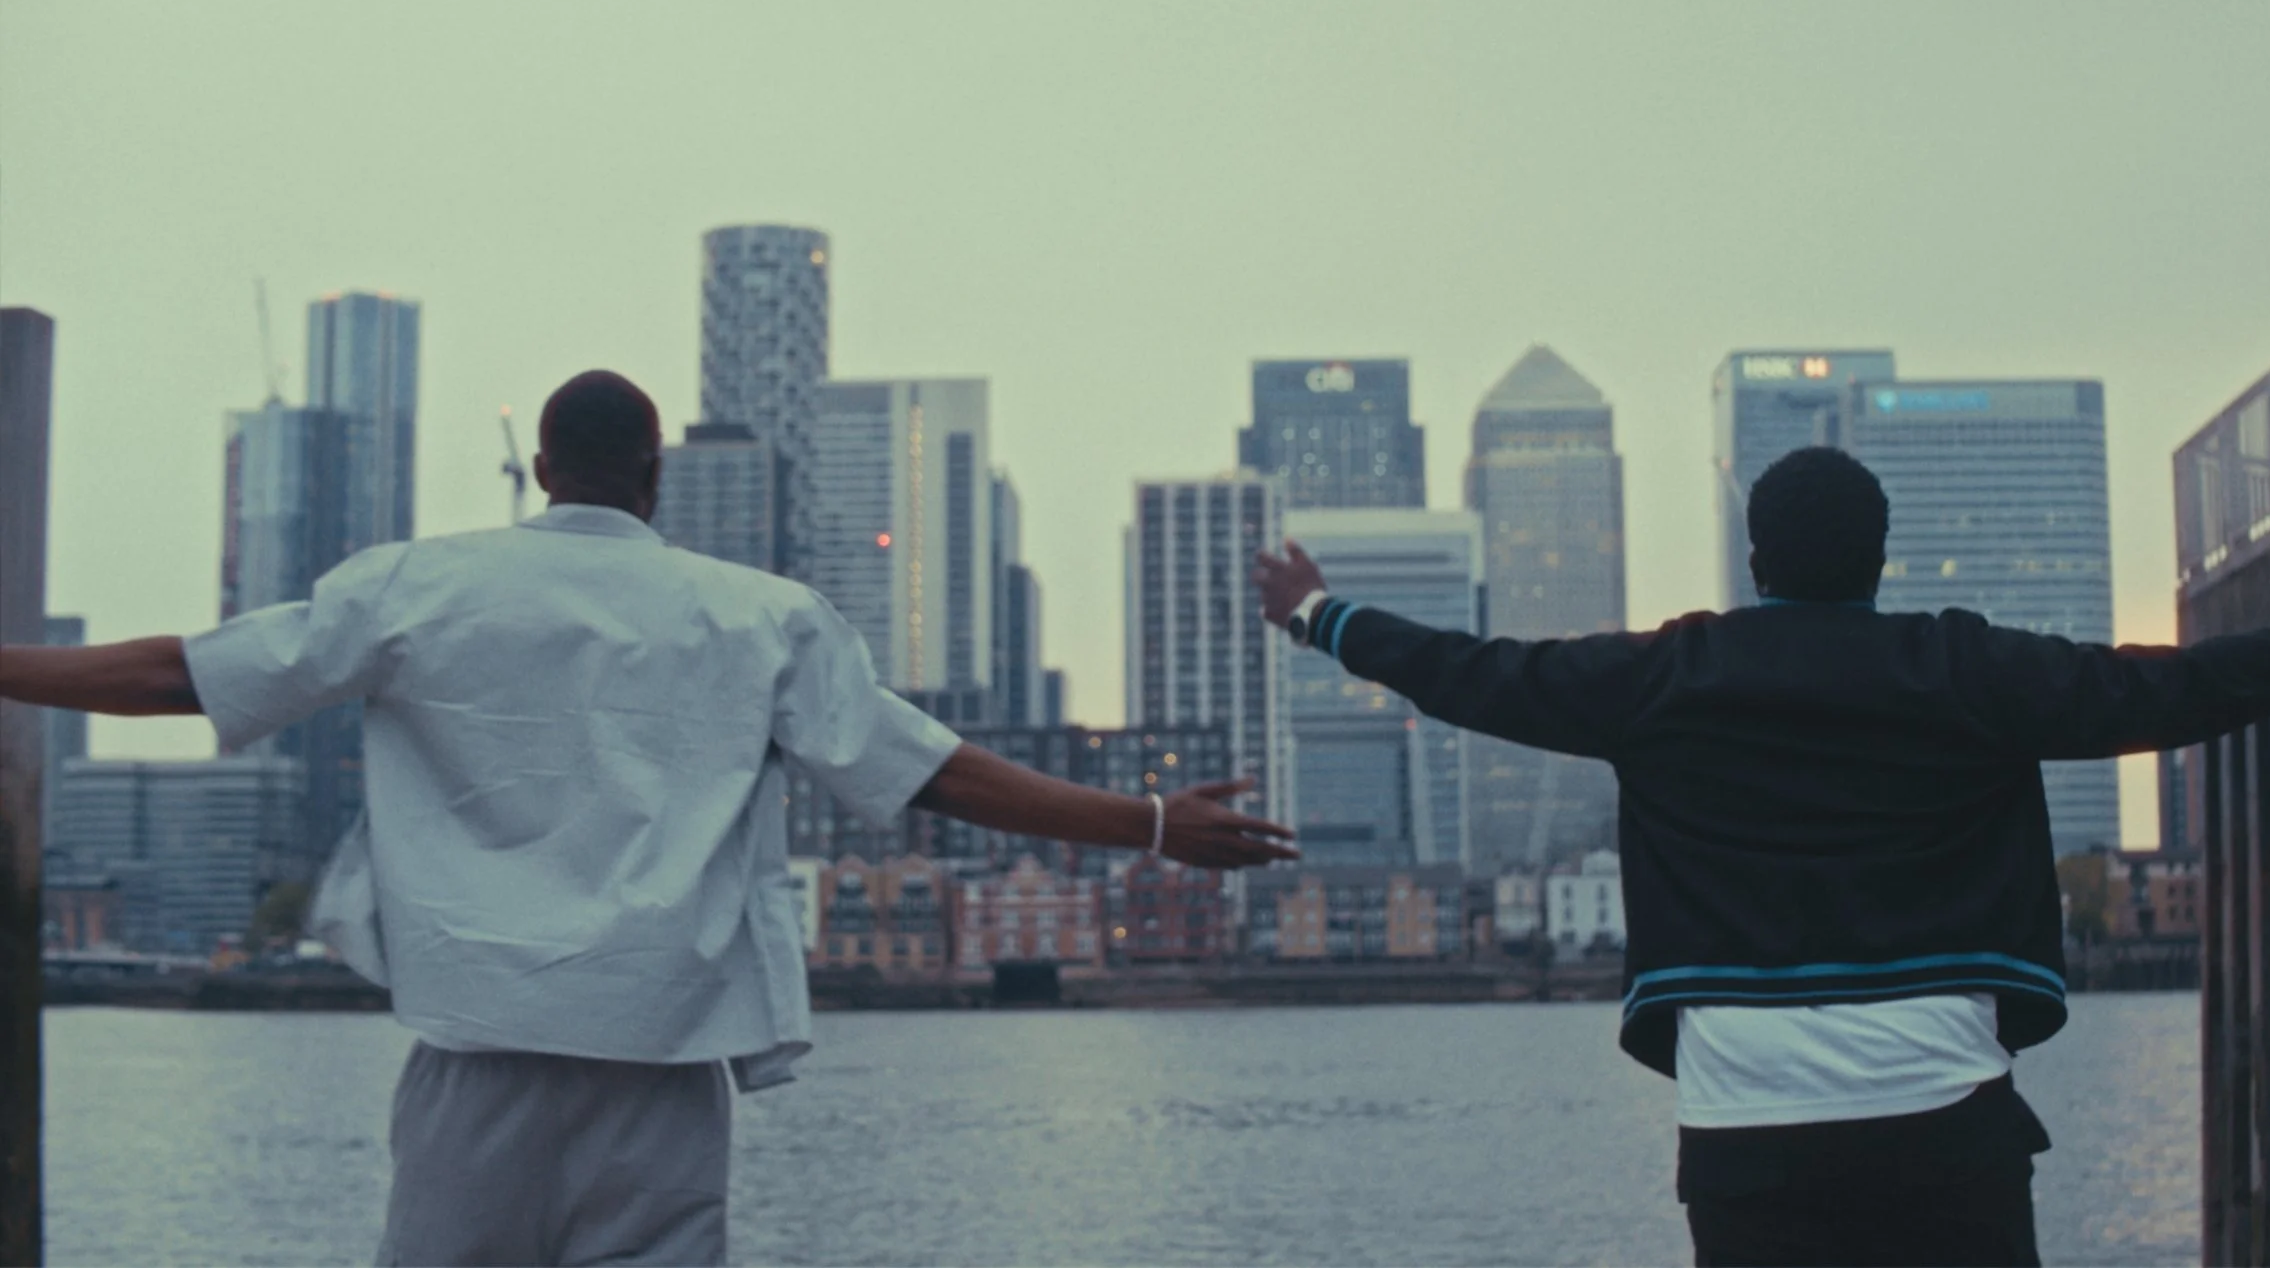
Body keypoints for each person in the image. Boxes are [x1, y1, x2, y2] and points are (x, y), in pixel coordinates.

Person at [0, 370, 1297, 1267]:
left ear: (542, 468)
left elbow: (183, 673)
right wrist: (1148, 822)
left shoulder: (419, 586)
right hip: (667, 1065)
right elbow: (937, 772)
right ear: (655, 475)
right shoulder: (762, 614)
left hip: (479, 1058)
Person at [1253, 444, 2270, 1268]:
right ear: (1880, 557)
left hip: (1743, 1131)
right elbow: (2180, 688)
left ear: (1755, 560)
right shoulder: (1963, 667)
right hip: (1943, 1118)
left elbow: (1472, 672)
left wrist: (1318, 613)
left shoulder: (1666, 675)